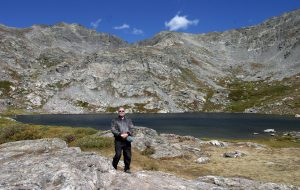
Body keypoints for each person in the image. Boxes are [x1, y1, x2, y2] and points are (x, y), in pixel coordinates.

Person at [111, 107, 134, 173]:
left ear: (124, 112)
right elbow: (113, 129)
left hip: (127, 140)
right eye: (120, 111)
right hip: (118, 140)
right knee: (118, 154)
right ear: (118, 112)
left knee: (128, 155)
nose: (121, 112)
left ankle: (127, 169)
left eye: (122, 111)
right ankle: (114, 166)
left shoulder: (129, 120)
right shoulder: (114, 120)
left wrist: (127, 134)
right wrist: (120, 134)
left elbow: (132, 128)